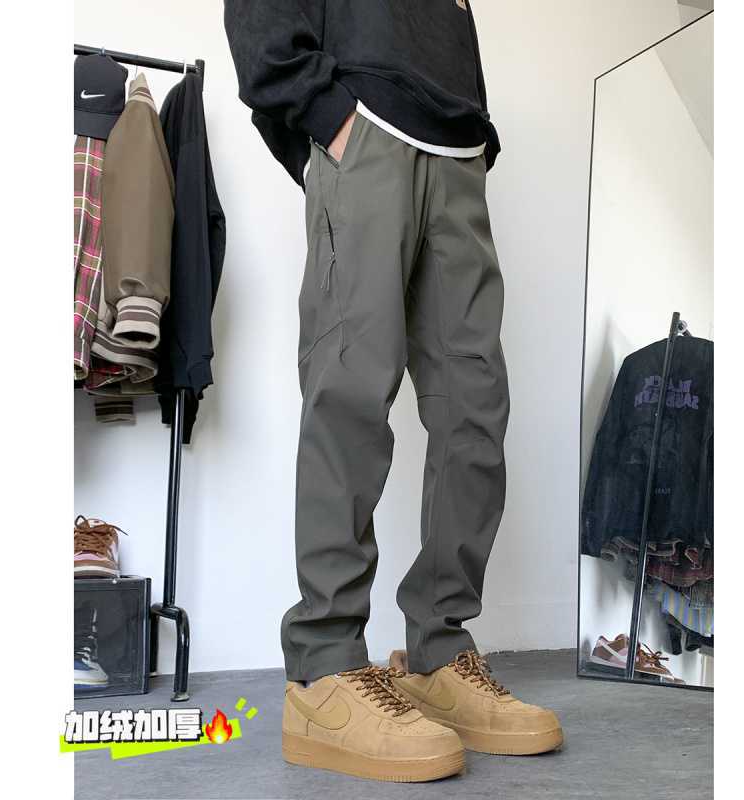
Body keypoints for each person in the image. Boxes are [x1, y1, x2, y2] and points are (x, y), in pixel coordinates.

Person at [224, 0, 563, 782]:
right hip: (366, 124)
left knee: (475, 407)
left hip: (457, 147)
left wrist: (475, 135)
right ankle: (324, 665)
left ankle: (439, 654)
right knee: (350, 393)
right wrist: (327, 113)